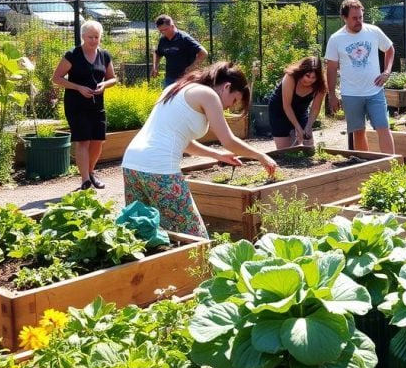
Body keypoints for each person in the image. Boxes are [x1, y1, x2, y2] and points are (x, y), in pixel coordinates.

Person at [122, 62, 278, 237]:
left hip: (132, 164)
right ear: (226, 87)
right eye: (233, 100)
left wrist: (217, 154)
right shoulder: (208, 95)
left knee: (141, 233)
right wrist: (260, 155)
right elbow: (228, 140)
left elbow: (183, 141)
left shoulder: (178, 87)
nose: (229, 107)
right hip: (159, 170)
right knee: (196, 237)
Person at [325, 0, 396, 155]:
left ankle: (392, 166)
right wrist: (331, 94)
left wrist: (387, 71)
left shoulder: (373, 31)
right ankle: (365, 165)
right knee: (358, 131)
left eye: (361, 17)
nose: (359, 21)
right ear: (344, 18)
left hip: (375, 90)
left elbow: (389, 49)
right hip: (351, 93)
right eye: (354, 18)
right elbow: (331, 68)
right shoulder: (336, 39)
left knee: (383, 128)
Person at [52, 20, 117, 190]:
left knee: (98, 141)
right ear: (82, 36)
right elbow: (56, 78)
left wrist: (105, 85)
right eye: (90, 37)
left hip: (97, 104)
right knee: (83, 140)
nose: (94, 40)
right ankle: (85, 179)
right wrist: (78, 87)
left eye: (97, 37)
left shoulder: (104, 55)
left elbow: (113, 78)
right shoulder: (72, 54)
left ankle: (91, 172)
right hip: (76, 104)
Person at [266, 56, 327, 149]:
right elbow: (287, 106)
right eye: (307, 76)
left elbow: (315, 108)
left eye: (314, 77)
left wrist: (309, 126)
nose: (310, 80)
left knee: (308, 146)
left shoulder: (320, 86)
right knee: (285, 150)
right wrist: (298, 128)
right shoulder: (290, 77)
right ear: (301, 72)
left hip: (301, 112)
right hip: (280, 111)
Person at [150, 15, 207, 87]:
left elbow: (203, 53)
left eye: (165, 29)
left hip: (186, 78)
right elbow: (158, 53)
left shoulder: (184, 38)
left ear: (172, 26)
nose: (163, 32)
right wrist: (155, 66)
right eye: (161, 30)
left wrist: (192, 67)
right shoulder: (163, 40)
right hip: (170, 78)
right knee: (169, 97)